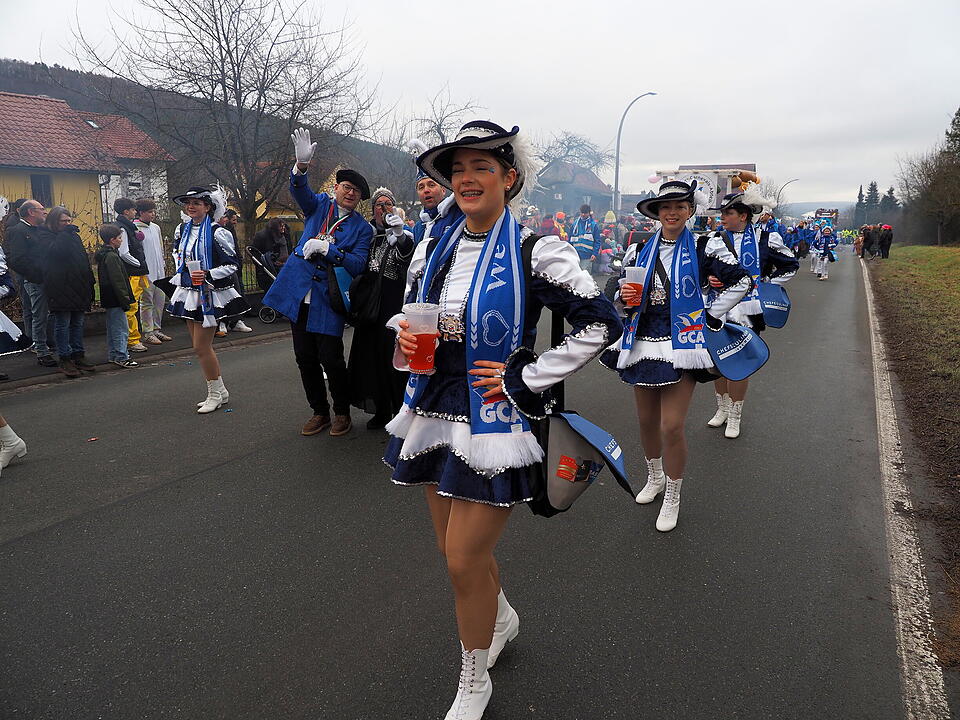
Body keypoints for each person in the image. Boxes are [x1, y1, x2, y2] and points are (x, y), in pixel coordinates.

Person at [387, 121, 622, 720]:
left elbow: (600, 322)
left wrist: (528, 375)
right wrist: (412, 328)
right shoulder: (436, 244)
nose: (466, 179)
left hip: (494, 419)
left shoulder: (534, 250)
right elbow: (427, 310)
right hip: (433, 402)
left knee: (463, 559)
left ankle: (473, 678)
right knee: (451, 548)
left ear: (509, 178)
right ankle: (502, 616)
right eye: (457, 169)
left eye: (482, 168)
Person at [600, 181, 751, 531]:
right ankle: (653, 477)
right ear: (655, 212)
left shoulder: (703, 245)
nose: (672, 212)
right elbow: (617, 292)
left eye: (680, 206)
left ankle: (673, 492)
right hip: (642, 340)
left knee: (672, 425)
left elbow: (742, 281)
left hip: (683, 343)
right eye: (665, 206)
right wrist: (624, 297)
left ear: (689, 210)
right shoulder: (639, 249)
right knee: (645, 420)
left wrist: (710, 314)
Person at [263, 128, 372, 437]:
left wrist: (330, 250)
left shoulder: (361, 229)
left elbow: (358, 263)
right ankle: (319, 411)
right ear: (337, 188)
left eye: (356, 192)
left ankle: (341, 412)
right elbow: (300, 191)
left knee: (332, 359)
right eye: (347, 187)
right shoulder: (319, 206)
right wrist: (300, 167)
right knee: (304, 358)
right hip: (299, 293)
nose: (350, 193)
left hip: (328, 298)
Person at [702, 190, 798, 438]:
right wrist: (709, 281)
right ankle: (722, 408)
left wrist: (765, 284)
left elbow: (790, 264)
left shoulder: (765, 238)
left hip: (748, 311)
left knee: (739, 363)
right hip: (718, 309)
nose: (722, 217)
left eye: (728, 213)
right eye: (722, 213)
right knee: (718, 361)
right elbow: (700, 272)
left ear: (743, 215)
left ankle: (735, 415)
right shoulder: (714, 239)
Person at [167, 186, 250, 412]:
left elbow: (232, 264)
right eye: (188, 202)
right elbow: (178, 255)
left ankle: (215, 393)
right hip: (189, 292)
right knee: (199, 347)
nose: (191, 206)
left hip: (210, 293)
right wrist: (182, 273)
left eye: (196, 203)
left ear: (208, 207)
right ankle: (219, 391)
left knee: (202, 347)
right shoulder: (182, 230)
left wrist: (208, 274)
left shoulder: (217, 231)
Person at [347, 187, 415, 429]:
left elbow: (407, 257)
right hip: (370, 308)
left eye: (387, 203)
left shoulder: (401, 234)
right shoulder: (368, 236)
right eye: (378, 204)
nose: (383, 207)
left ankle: (400, 410)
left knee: (393, 359)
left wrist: (401, 235)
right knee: (371, 360)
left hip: (392, 305)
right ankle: (381, 409)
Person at [40, 207, 96, 378]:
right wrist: (65, 234)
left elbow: (82, 260)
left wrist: (90, 282)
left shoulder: (74, 236)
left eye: (69, 221)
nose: (67, 224)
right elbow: (57, 253)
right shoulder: (44, 236)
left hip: (78, 286)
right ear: (54, 221)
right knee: (62, 324)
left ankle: (78, 354)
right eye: (63, 221)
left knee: (77, 323)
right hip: (59, 287)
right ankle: (65, 357)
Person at [4, 200, 56, 367]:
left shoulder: (40, 229)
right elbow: (16, 259)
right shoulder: (17, 231)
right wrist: (35, 275)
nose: (45, 212)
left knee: (46, 315)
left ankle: (47, 344)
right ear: (31, 212)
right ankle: (41, 350)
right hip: (34, 280)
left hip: (47, 278)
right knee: (37, 315)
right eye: (41, 209)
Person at [95, 224, 138, 368]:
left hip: (109, 297)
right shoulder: (112, 256)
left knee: (114, 327)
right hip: (116, 298)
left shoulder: (105, 255)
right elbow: (118, 280)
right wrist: (125, 299)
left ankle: (114, 354)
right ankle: (121, 355)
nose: (121, 241)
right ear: (112, 240)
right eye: (119, 238)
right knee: (121, 328)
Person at [134, 198, 173, 345]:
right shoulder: (135, 228)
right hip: (146, 273)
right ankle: (148, 332)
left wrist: (163, 264)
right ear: (141, 212)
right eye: (150, 212)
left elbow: (161, 248)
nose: (153, 214)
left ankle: (157, 329)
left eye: (154, 211)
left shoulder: (156, 228)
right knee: (146, 302)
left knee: (159, 301)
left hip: (159, 272)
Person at [113, 198, 150, 353]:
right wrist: (139, 264)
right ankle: (132, 340)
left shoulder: (129, 226)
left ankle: (134, 337)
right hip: (132, 274)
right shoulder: (123, 228)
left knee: (136, 305)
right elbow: (124, 253)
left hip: (137, 273)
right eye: (133, 210)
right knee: (131, 307)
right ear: (126, 211)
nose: (135, 212)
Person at [215, 209, 253, 336]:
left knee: (236, 293)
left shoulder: (229, 231)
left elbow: (234, 249)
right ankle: (222, 322)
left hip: (232, 267)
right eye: (224, 217)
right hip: (219, 269)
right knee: (222, 296)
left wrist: (238, 263)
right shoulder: (214, 231)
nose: (226, 220)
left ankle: (237, 320)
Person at [250, 218, 292, 289]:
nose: (283, 228)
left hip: (284, 267)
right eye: (281, 226)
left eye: (283, 226)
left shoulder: (286, 235)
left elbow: (289, 249)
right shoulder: (262, 236)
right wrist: (264, 265)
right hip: (268, 270)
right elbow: (255, 253)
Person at [412, 170, 450, 244]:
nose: (426, 190)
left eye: (431, 185)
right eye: (421, 187)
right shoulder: (418, 228)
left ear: (443, 190)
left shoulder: (458, 216)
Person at [569, 204, 602, 272]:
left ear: (589, 213)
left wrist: (594, 253)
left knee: (585, 276)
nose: (583, 214)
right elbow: (570, 239)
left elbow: (597, 241)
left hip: (588, 256)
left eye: (585, 213)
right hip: (575, 255)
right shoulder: (575, 224)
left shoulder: (593, 225)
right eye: (582, 213)